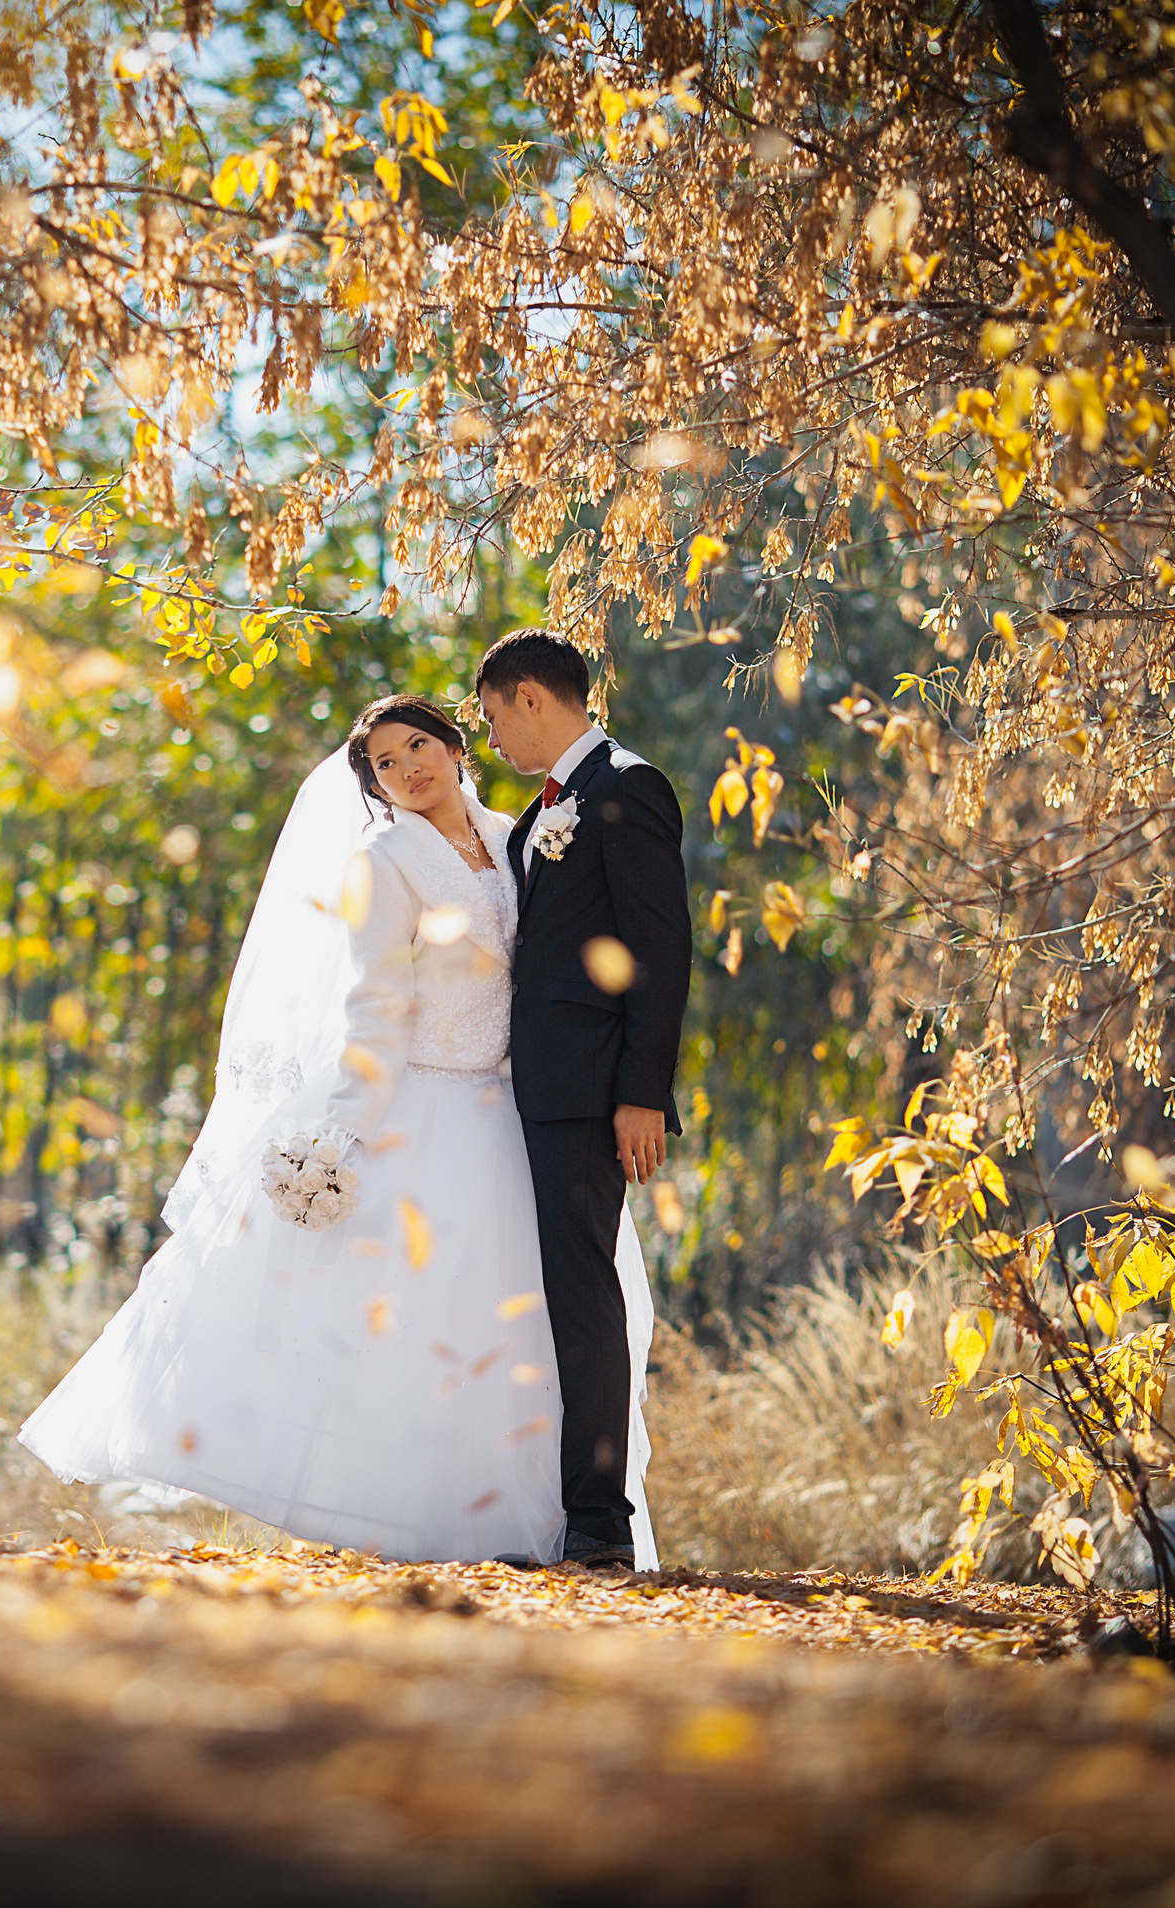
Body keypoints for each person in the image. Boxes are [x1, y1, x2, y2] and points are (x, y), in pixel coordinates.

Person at [20, 691, 658, 1566]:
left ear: (456, 746)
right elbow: (377, 1005)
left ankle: (526, 1521)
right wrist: (345, 1131)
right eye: (386, 765)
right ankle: (418, 1518)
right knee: (410, 1318)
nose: (407, 769)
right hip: (425, 1105)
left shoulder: (517, 837)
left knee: (516, 1323)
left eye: (418, 746)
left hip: (513, 1111)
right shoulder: (384, 862)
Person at [475, 628, 692, 1570]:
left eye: (494, 719)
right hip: (531, 1084)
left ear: (531, 696)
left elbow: (659, 949)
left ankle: (599, 1524)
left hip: (590, 1089)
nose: (493, 741)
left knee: (582, 1293)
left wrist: (641, 1093)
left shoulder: (627, 787)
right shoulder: (541, 812)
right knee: (556, 1290)